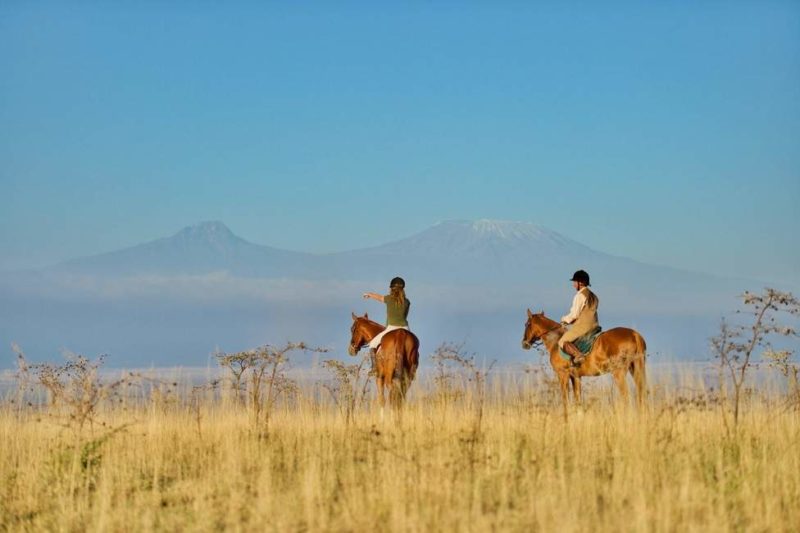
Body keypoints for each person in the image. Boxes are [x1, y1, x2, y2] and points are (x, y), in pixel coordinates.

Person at [559, 269, 600, 365]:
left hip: (584, 327)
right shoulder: (594, 296)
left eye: (575, 282)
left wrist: (563, 319)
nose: (573, 284)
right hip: (595, 325)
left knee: (562, 341)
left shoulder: (580, 295)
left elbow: (574, 315)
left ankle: (578, 355)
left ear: (580, 282)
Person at [362, 276, 411, 354]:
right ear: (403, 289)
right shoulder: (407, 302)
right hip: (405, 328)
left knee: (372, 344)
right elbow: (405, 316)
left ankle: (374, 366)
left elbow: (380, 297)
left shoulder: (389, 298)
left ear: (391, 288)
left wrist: (369, 294)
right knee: (413, 345)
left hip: (391, 328)